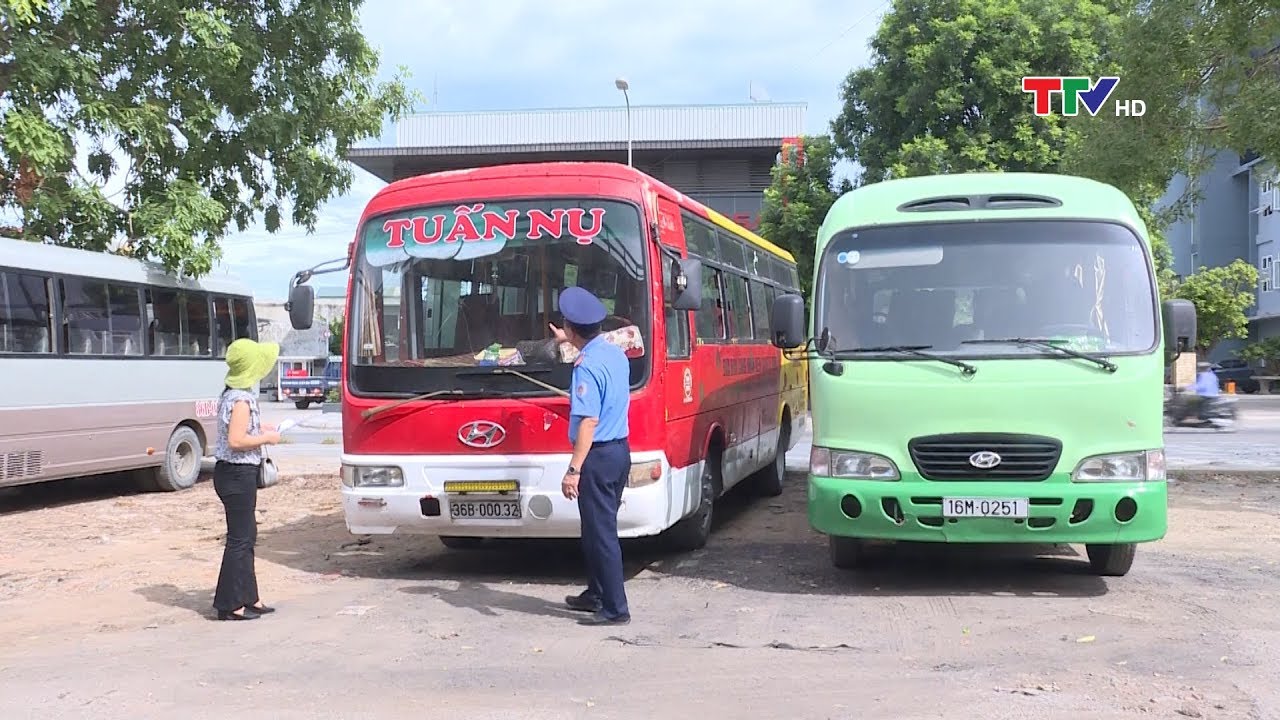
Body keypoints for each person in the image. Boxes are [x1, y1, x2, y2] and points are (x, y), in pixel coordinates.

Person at [550, 286, 633, 626]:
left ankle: (615, 608)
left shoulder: (584, 367)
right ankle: (596, 593)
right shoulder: (613, 352)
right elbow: (590, 353)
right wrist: (566, 341)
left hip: (597, 456)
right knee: (597, 528)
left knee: (601, 534)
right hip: (619, 452)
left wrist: (573, 470)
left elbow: (588, 421)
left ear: (571, 330)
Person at [212, 338, 282, 621]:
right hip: (237, 474)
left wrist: (262, 427)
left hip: (234, 474)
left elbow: (239, 429)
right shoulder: (240, 399)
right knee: (239, 540)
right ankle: (229, 604)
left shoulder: (232, 395)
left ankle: (249, 597)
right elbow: (236, 439)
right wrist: (267, 437)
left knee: (247, 536)